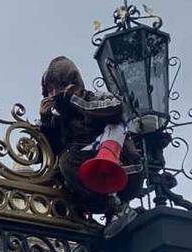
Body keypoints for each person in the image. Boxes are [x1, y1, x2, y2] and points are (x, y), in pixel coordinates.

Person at [39, 56, 143, 233]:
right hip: (89, 176)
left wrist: (75, 102)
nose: (54, 94)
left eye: (59, 87)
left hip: (120, 165)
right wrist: (46, 120)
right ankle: (81, 220)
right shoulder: (61, 121)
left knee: (68, 161)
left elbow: (116, 108)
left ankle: (116, 208)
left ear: (74, 85)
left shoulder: (96, 98)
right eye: (50, 90)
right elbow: (50, 151)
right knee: (57, 171)